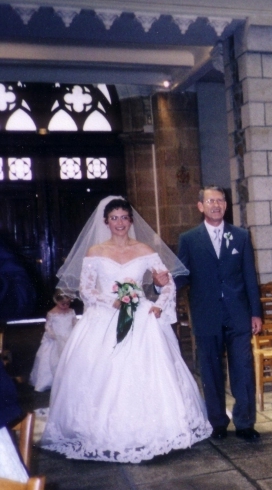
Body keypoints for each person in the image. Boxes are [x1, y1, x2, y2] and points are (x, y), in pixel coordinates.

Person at [40, 197, 212, 462]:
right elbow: (86, 289)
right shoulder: (95, 251)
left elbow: (166, 283)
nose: (119, 223)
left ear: (131, 220)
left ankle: (156, 428)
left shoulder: (144, 249)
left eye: (124, 217)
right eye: (114, 218)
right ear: (106, 222)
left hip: (141, 316)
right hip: (104, 316)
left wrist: (159, 306)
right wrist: (113, 301)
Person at [177, 186, 262, 441]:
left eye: (220, 201)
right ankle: (217, 423)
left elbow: (250, 277)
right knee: (210, 370)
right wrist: (162, 285)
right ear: (200, 206)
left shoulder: (241, 236)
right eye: (210, 201)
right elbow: (182, 275)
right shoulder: (189, 239)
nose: (216, 205)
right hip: (206, 315)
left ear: (226, 205)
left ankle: (245, 422)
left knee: (243, 369)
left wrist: (255, 313)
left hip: (237, 314)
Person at [29, 290, 77, 392]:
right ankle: (51, 381)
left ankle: (69, 380)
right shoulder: (52, 313)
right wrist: (53, 335)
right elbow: (48, 326)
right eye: (63, 304)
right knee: (53, 359)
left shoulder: (71, 311)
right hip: (55, 339)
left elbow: (74, 323)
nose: (65, 306)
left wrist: (75, 332)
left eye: (68, 303)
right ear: (56, 301)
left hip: (68, 337)